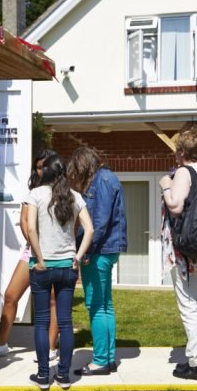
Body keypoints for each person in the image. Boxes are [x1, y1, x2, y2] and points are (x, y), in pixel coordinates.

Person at [0, 150, 60, 360]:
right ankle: (1, 343)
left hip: (56, 253)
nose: (41, 171)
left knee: (52, 301)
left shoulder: (63, 192)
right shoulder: (31, 191)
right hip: (31, 251)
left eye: (45, 167)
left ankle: (50, 348)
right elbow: (24, 222)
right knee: (11, 295)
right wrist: (35, 245)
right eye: (38, 167)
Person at [27, 154, 94, 389]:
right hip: (67, 266)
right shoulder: (74, 196)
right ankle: (64, 375)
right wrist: (77, 256)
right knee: (65, 323)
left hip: (42, 267)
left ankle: (44, 375)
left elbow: (31, 229)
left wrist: (39, 257)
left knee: (42, 322)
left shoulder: (35, 195)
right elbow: (90, 230)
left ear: (46, 171)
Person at [159, 127, 197, 382]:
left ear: (182, 151)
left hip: (185, 253)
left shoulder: (185, 172)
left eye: (177, 152)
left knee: (188, 305)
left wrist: (165, 185)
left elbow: (175, 205)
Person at [67, 147, 127, 376]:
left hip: (100, 250)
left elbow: (98, 223)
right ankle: (109, 358)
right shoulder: (108, 177)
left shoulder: (101, 181)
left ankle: (101, 360)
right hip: (109, 248)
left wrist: (83, 252)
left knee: (95, 306)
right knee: (105, 304)